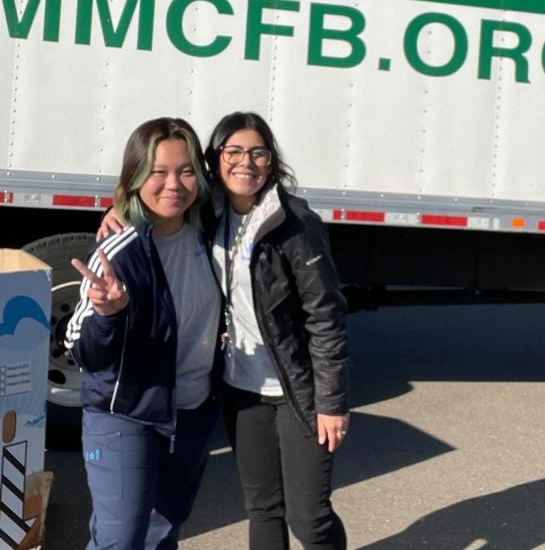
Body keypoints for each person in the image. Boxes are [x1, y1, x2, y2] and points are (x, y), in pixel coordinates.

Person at [100, 112, 350, 550]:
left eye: (258, 153)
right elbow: (158, 194)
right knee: (263, 509)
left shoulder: (295, 223)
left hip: (298, 390)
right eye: (233, 151)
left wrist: (332, 402)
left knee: (309, 517)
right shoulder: (208, 212)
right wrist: (118, 208)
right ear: (215, 160)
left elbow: (325, 316)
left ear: (271, 161)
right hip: (240, 388)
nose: (245, 163)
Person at [65, 117, 222, 550]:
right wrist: (108, 315)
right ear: (136, 177)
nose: (174, 184)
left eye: (186, 171)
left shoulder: (210, 233)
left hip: (191, 412)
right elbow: (80, 350)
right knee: (121, 540)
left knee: (163, 533)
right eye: (158, 172)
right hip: (127, 412)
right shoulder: (119, 248)